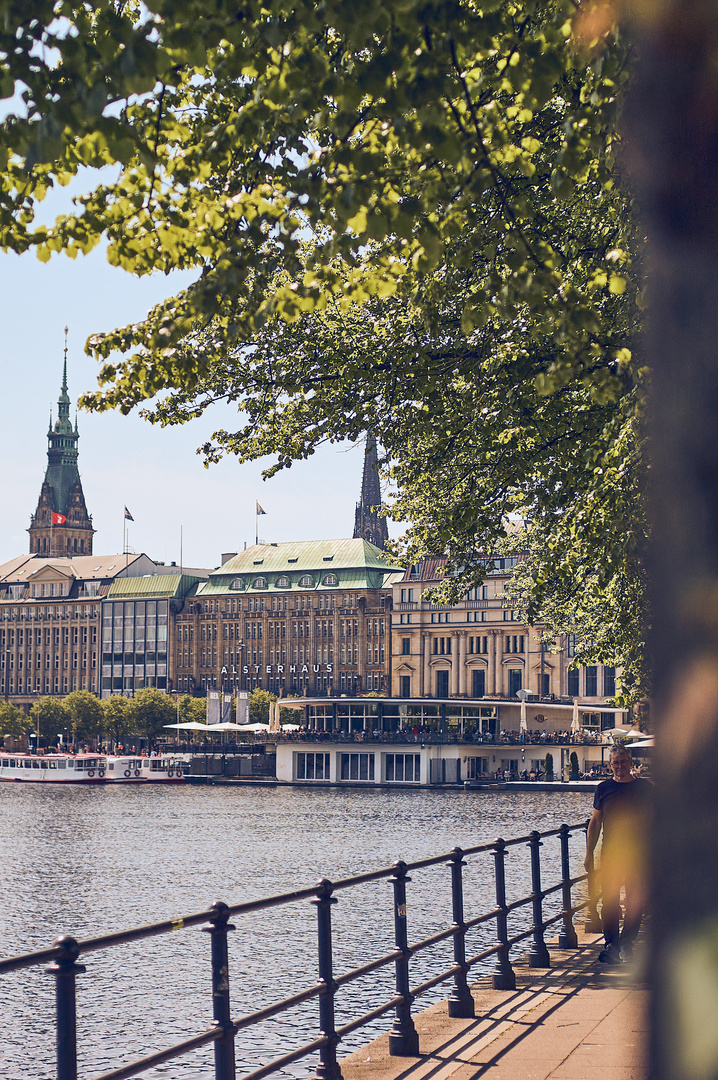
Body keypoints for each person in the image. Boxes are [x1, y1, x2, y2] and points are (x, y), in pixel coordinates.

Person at [584, 744, 652, 964]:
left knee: (635, 902)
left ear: (630, 763)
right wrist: (588, 854)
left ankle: (627, 944)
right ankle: (612, 945)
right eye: (616, 763)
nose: (620, 766)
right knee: (610, 900)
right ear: (610, 765)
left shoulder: (644, 788)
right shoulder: (603, 789)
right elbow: (595, 823)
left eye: (623, 762)